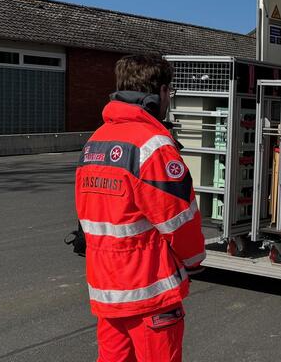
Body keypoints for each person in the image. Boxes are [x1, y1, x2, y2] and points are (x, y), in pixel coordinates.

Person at [75, 54, 205, 362]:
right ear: (159, 92)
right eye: (169, 92)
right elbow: (179, 218)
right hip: (150, 293)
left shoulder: (95, 142)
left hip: (107, 291)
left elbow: (87, 214)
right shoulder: (152, 145)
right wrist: (194, 258)